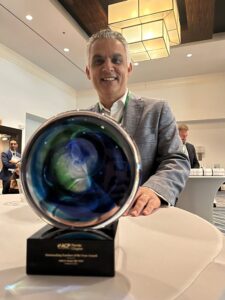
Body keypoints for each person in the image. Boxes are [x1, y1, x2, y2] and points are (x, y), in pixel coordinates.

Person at [85, 29, 190, 216]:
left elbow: (176, 159)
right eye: (98, 61)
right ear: (88, 72)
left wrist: (154, 189)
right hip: (91, 216)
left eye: (117, 60)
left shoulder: (158, 110)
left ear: (129, 68)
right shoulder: (80, 122)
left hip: (141, 215)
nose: (108, 67)